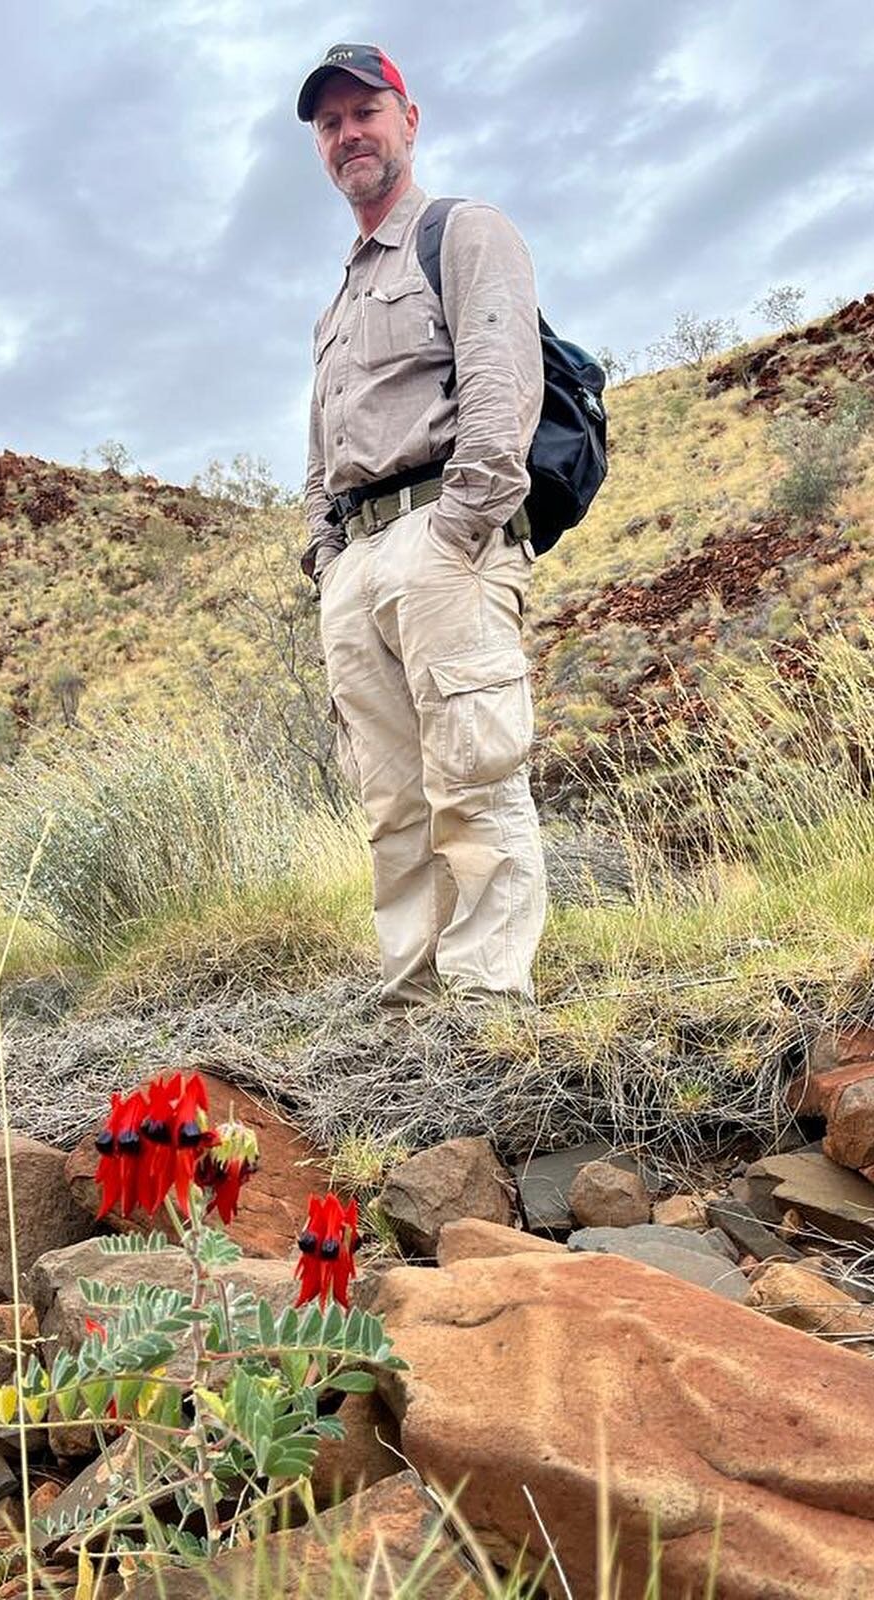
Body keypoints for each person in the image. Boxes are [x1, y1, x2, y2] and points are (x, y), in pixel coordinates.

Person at [297, 42, 547, 1011]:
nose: (347, 134)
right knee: (392, 806)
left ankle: (487, 1004)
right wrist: (327, 561)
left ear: (409, 119)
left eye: (365, 112)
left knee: (473, 778)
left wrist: (461, 525)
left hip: (443, 538)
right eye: (329, 124)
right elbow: (320, 450)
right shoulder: (337, 300)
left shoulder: (463, 232)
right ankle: (410, 1007)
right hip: (358, 563)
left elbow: (499, 382)